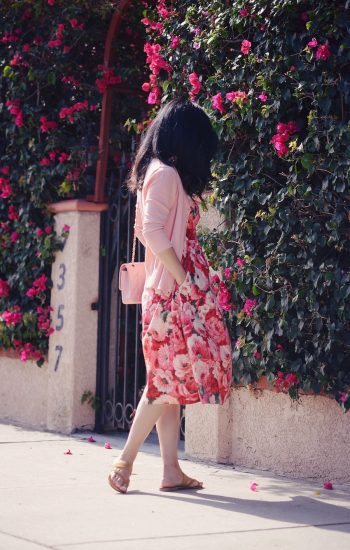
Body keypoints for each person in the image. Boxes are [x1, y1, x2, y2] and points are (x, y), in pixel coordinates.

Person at [108, 98, 232, 494]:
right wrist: (184, 279)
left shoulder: (157, 172)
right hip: (171, 297)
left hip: (167, 294)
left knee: (169, 380)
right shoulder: (165, 175)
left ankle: (170, 472)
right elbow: (156, 233)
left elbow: (149, 232)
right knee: (163, 384)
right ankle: (124, 461)